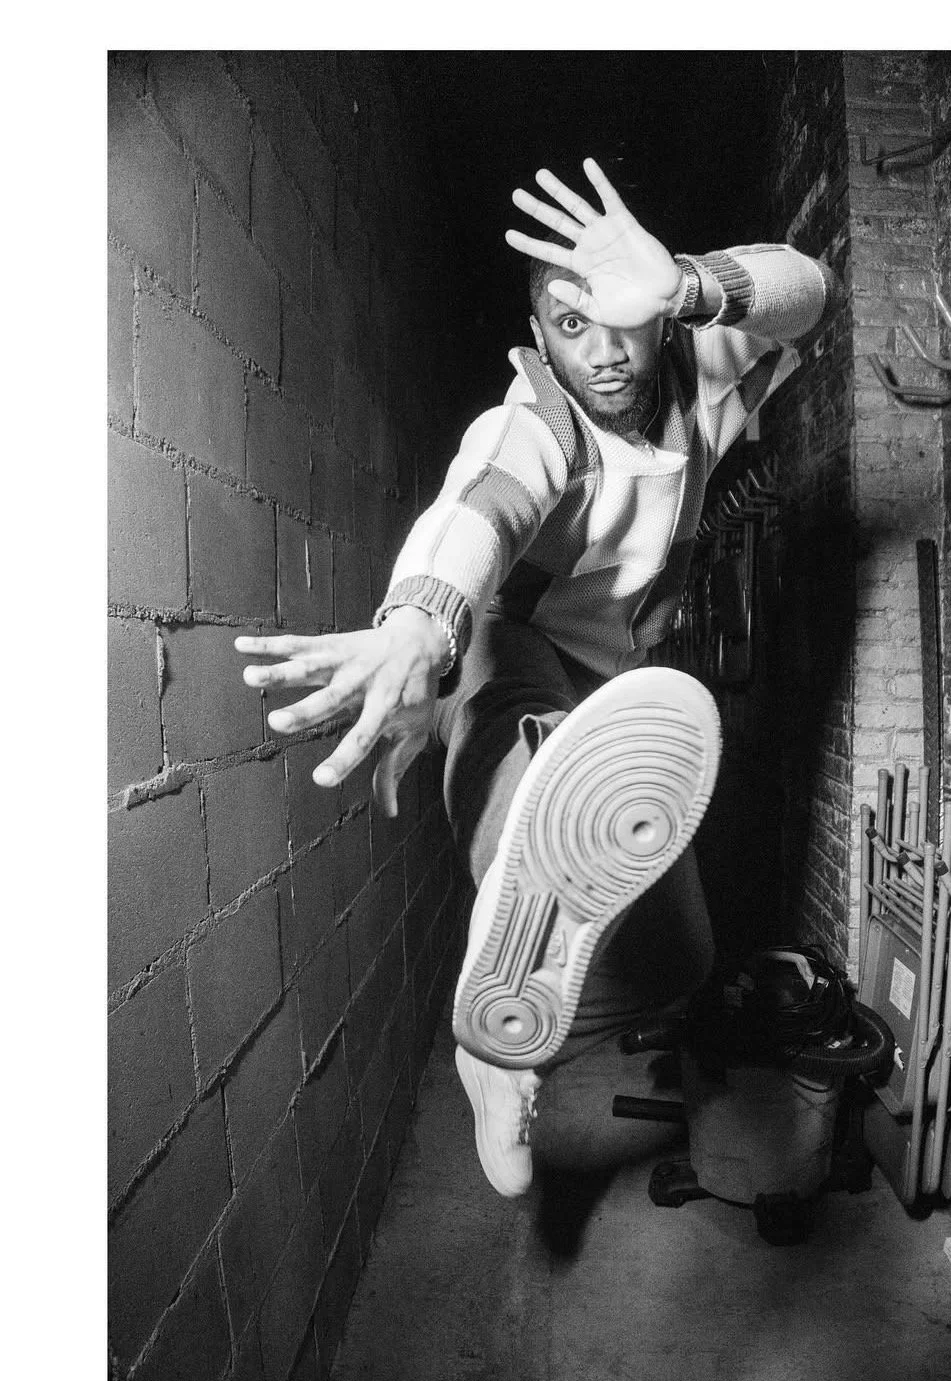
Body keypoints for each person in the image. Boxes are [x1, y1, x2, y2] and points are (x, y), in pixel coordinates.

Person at [236, 158, 835, 1199]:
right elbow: (483, 501)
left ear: (654, 315)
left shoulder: (698, 366)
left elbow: (809, 291)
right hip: (509, 651)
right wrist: (418, 623)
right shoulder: (537, 421)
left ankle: (520, 1024)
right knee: (525, 726)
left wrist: (687, 283)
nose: (602, 352)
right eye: (570, 325)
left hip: (616, 683)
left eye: (621, 321)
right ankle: (494, 1057)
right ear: (539, 335)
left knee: (681, 957)